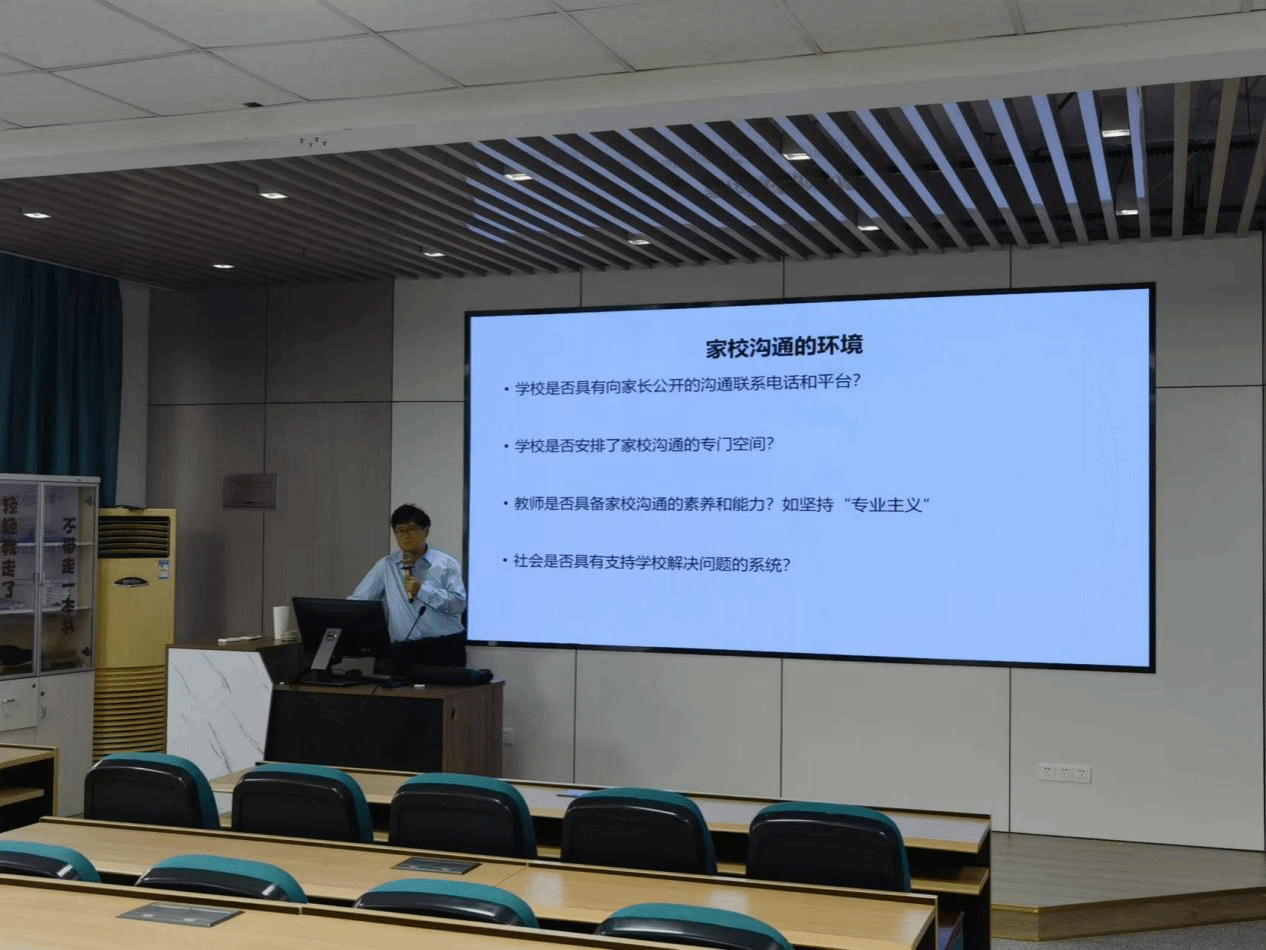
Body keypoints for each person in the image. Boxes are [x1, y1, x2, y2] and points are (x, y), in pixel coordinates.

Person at [350, 503, 467, 669]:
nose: (405, 536)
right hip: (403, 650)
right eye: (400, 531)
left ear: (425, 531)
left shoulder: (446, 564)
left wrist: (422, 590)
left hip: (444, 648)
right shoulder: (386, 565)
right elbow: (360, 601)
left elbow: (458, 605)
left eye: (411, 530)